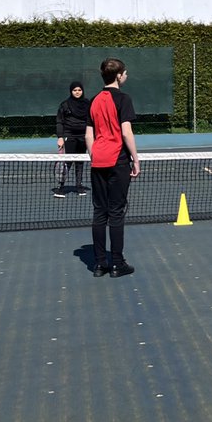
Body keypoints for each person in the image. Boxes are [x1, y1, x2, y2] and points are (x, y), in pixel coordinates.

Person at [85, 58, 140, 277]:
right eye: (124, 73)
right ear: (118, 76)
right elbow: (126, 132)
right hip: (118, 162)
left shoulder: (94, 100)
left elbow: (88, 135)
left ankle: (99, 265)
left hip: (98, 161)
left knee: (100, 212)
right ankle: (117, 264)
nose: (126, 75)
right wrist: (135, 159)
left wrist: (94, 154)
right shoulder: (123, 99)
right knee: (116, 212)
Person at [54, 81, 90, 198]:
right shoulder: (65, 105)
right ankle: (61, 187)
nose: (77, 92)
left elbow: (92, 119)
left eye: (79, 90)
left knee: (80, 162)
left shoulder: (87, 104)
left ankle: (79, 186)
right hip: (69, 136)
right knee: (67, 162)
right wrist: (60, 137)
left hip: (83, 137)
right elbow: (60, 121)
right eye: (75, 90)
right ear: (71, 91)